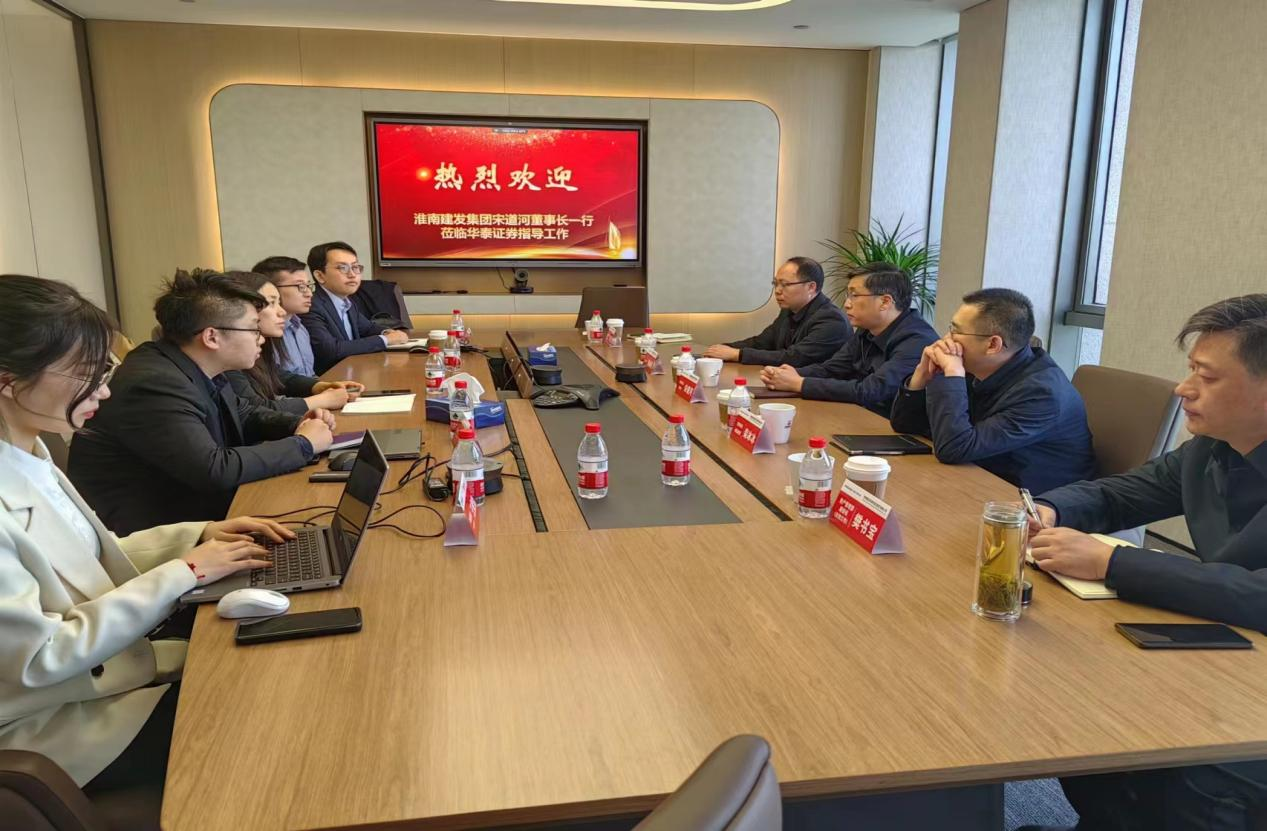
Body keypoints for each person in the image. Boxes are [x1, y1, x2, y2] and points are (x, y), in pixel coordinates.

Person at [0, 273, 291, 799]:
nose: (105, 390)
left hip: (107, 672)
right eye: (86, 373)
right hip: (50, 725)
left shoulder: (30, 451)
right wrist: (187, 572)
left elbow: (86, 560)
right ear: (8, 380)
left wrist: (196, 536)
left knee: (273, 653)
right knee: (266, 712)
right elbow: (40, 658)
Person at [1020, 294, 1267, 831]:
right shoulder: (1212, 447)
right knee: (1077, 703)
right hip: (1222, 645)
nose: (1184, 389)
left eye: (1206, 376)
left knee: (1185, 771)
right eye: (1190, 370)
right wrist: (1052, 508)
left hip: (1252, 696)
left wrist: (1113, 563)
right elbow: (1123, 494)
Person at [68, 269, 335, 536]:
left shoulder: (196, 364)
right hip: (156, 534)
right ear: (211, 337)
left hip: (196, 511)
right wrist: (303, 445)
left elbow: (243, 415)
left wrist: (297, 424)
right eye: (254, 329)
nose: (261, 338)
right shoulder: (154, 383)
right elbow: (213, 469)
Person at [888, 288, 1095, 492]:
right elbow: (905, 425)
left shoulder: (1041, 394)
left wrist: (949, 374)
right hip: (978, 477)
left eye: (956, 331)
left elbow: (954, 448)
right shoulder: (978, 366)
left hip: (1032, 502)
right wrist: (921, 376)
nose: (945, 339)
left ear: (993, 345)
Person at [760, 262, 938, 414]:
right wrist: (786, 375)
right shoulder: (866, 329)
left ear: (885, 302)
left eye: (855, 295)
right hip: (860, 417)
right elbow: (832, 369)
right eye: (848, 295)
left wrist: (800, 383)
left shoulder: (917, 341)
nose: (846, 304)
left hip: (894, 430)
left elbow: (871, 391)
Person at [228, 270, 364, 415]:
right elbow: (257, 410)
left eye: (279, 303)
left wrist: (320, 386)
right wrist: (323, 400)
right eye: (271, 303)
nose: (281, 311)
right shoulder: (229, 361)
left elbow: (279, 376)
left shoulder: (266, 345)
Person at [702, 257, 851, 367]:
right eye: (776, 284)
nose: (778, 291)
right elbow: (761, 343)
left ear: (811, 287)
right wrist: (723, 348)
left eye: (785, 285)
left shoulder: (831, 320)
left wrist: (738, 354)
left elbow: (795, 357)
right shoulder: (788, 311)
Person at [300, 241, 410, 373]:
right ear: (320, 276)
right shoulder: (310, 306)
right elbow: (331, 350)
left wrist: (387, 332)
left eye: (355, 267)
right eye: (343, 268)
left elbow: (368, 328)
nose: (352, 274)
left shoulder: (346, 301)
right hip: (330, 379)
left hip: (353, 371)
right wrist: (385, 340)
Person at [252, 255, 320, 378]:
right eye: (301, 287)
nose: (309, 293)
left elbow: (310, 375)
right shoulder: (263, 336)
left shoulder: (300, 327)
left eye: (308, 286)